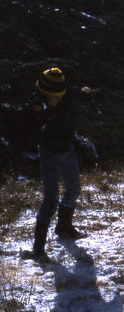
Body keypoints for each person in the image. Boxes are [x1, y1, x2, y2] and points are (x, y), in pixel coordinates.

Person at [22, 67, 87, 261]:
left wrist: (88, 92)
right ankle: (38, 250)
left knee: (74, 189)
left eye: (59, 96)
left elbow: (74, 92)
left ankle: (64, 227)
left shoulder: (64, 93)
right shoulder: (36, 106)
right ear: (43, 93)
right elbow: (28, 127)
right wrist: (43, 115)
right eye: (52, 97)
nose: (56, 99)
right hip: (49, 151)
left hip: (67, 148)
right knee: (50, 199)